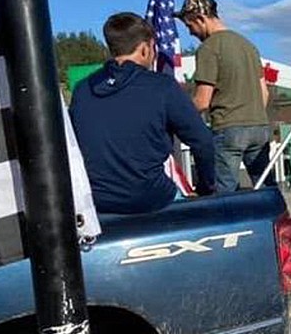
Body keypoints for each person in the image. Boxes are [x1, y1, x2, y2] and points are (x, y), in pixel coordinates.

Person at [70, 12, 215, 214]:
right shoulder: (162, 87)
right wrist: (206, 189)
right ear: (146, 48)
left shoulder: (82, 91)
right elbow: (202, 141)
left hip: (97, 203)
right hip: (151, 198)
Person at [174, 0, 272, 192]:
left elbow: (202, 101)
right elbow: (265, 93)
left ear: (200, 19)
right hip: (259, 126)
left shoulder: (209, 48)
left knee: (224, 193)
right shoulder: (248, 46)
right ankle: (277, 220)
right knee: (266, 187)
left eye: (189, 25)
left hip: (228, 128)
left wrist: (177, 119)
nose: (190, 32)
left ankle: (233, 223)